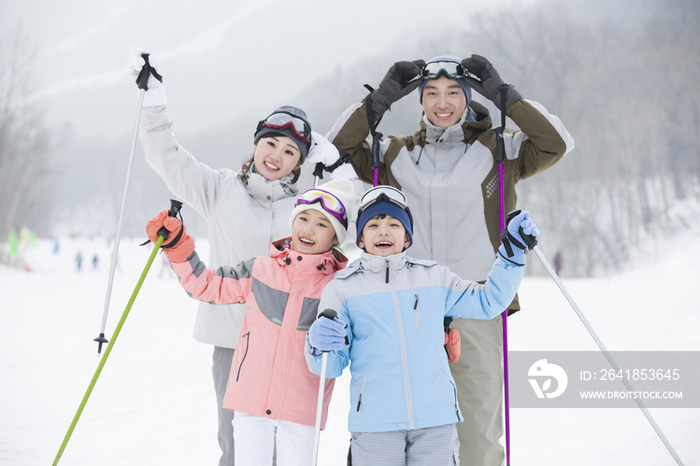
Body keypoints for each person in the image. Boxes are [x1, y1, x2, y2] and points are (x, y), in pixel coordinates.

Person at [326, 54, 575, 465]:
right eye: (432, 93)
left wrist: (504, 96)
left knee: (476, 429)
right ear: (419, 100)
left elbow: (554, 143)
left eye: (454, 93)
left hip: (476, 302)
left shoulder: (499, 149)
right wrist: (380, 100)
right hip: (404, 306)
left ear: (468, 96)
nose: (443, 103)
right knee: (406, 430)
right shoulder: (392, 153)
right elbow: (335, 150)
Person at [127, 53, 357, 466]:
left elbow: (359, 229)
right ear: (256, 145)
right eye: (270, 143)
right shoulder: (221, 190)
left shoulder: (308, 210)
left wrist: (338, 165)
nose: (276, 155)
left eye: (290, 151)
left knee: (288, 451)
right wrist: (154, 101)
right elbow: (167, 156)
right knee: (236, 448)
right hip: (235, 340)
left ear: (300, 163)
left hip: (294, 345)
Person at [305, 186, 538, 465]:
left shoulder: (434, 278)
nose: (383, 231)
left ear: (406, 239)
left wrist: (511, 256)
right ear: (362, 239)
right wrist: (317, 346)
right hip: (375, 423)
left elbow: (489, 301)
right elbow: (329, 367)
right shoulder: (342, 289)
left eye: (394, 224)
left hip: (435, 421)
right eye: (373, 225)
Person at [146, 179, 355, 465]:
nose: (308, 229)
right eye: (303, 218)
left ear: (335, 237)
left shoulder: (338, 288)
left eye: (322, 224)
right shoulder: (260, 270)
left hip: (302, 409)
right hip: (251, 404)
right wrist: (178, 246)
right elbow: (206, 285)